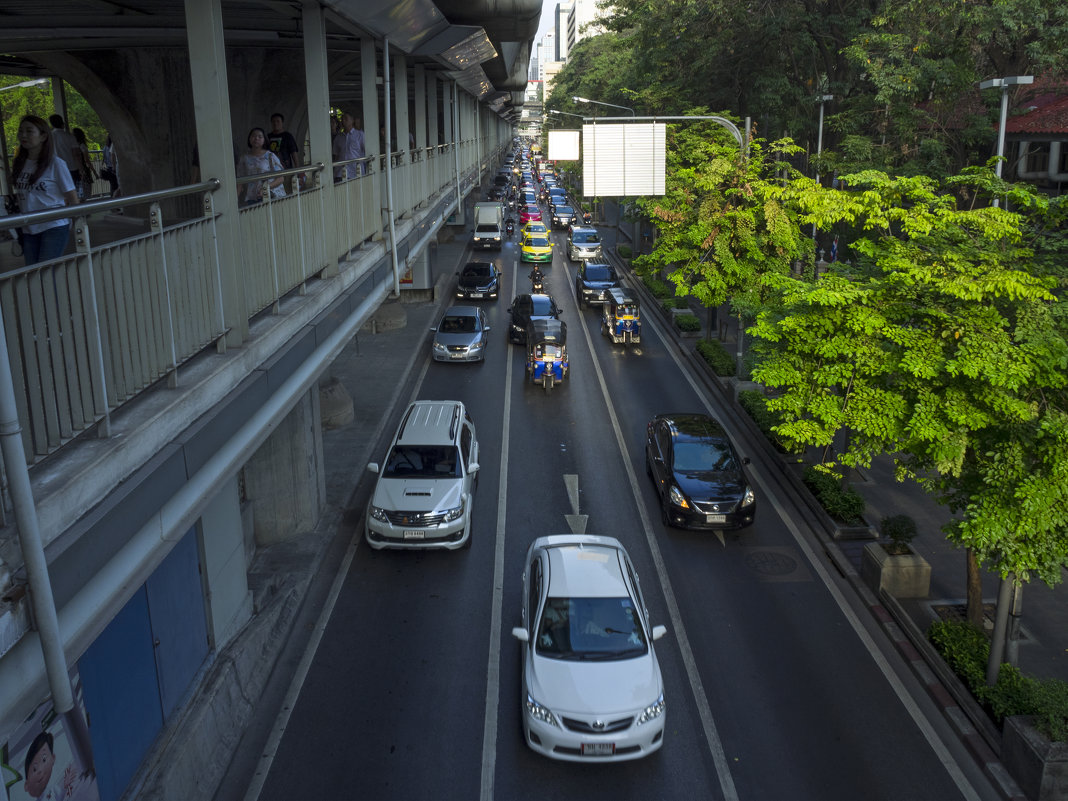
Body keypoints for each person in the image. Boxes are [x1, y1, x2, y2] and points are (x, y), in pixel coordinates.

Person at [11, 115, 79, 265]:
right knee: (33, 274)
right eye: (21, 131)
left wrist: (76, 223)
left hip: (53, 226)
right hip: (29, 227)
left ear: (43, 136)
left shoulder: (56, 164)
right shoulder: (19, 163)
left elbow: (72, 197)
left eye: (29, 131)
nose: (23, 135)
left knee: (46, 273)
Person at [235, 127, 285, 206]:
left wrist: (266, 188)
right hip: (252, 197)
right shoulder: (244, 158)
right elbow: (240, 181)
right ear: (249, 139)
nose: (256, 138)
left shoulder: (270, 156)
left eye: (260, 136)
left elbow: (281, 178)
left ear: (264, 139)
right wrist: (234, 199)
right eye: (253, 136)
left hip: (271, 196)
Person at [22, 731, 78, 800]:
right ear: (26, 786)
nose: (40, 770)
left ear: (53, 758)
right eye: (34, 769)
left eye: (44, 759)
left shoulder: (53, 789)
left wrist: (65, 786)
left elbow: (61, 797)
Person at [48, 115, 80, 189]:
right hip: (71, 168)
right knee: (72, 190)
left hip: (55, 169)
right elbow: (76, 154)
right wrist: (81, 169)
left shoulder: (49, 137)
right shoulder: (70, 136)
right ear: (62, 123)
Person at [71, 128, 96, 200]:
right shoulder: (82, 146)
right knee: (85, 191)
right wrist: (94, 172)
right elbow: (87, 160)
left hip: (75, 170)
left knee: (78, 191)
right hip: (83, 170)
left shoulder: (72, 146)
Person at [338, 112, 365, 178]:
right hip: (341, 173)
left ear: (352, 120)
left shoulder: (360, 135)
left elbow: (366, 150)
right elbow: (336, 155)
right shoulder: (338, 137)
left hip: (356, 172)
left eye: (346, 118)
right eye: (342, 119)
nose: (343, 121)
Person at [100, 133, 120, 197]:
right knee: (117, 186)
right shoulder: (113, 146)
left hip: (109, 168)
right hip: (114, 168)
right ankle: (114, 200)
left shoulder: (105, 148)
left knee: (112, 186)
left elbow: (104, 158)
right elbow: (112, 157)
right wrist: (114, 167)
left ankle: (112, 199)